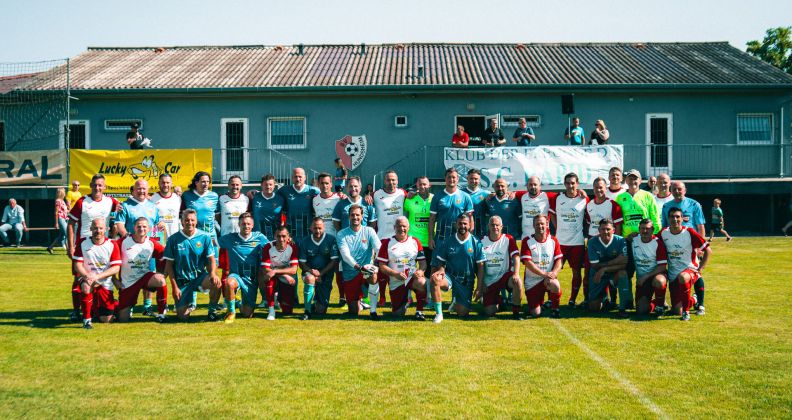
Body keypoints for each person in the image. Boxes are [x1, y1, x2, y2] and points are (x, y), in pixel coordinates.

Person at [67, 174, 121, 322]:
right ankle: (76, 311)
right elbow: (71, 224)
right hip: (84, 247)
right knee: (79, 278)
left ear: (104, 187)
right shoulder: (82, 202)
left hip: (103, 246)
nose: (97, 188)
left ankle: (107, 306)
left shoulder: (110, 201)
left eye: (100, 185)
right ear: (90, 185)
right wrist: (70, 246)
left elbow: (124, 207)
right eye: (94, 185)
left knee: (104, 277)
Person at [614, 169, 661, 310]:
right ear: (625, 181)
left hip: (645, 241)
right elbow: (618, 221)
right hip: (627, 242)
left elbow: (655, 220)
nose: (633, 181)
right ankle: (627, 300)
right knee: (627, 272)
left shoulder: (648, 196)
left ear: (640, 181)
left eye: (636, 178)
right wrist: (623, 238)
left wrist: (651, 237)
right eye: (630, 178)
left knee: (647, 269)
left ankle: (658, 299)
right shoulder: (620, 197)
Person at [163, 209, 222, 321]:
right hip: (182, 281)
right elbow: (169, 265)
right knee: (182, 317)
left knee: (216, 283)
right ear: (181, 221)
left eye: (192, 220)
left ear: (196, 221)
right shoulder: (173, 239)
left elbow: (211, 259)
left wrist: (213, 274)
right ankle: (187, 304)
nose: (189, 222)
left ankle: (212, 312)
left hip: (199, 278)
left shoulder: (204, 237)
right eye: (186, 220)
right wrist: (174, 287)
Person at [660, 181, 708, 314]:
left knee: (696, 272)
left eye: (679, 189)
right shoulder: (667, 206)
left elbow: (700, 226)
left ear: (685, 190)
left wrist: (699, 248)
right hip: (674, 244)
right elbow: (664, 227)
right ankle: (686, 301)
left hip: (691, 245)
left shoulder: (694, 204)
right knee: (677, 274)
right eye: (674, 189)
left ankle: (700, 303)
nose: (677, 191)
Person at [429, 214, 485, 323]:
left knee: (462, 313)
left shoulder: (476, 242)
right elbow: (441, 261)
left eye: (465, 224)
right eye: (460, 223)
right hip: (450, 276)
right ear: (455, 225)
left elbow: (480, 267)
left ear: (469, 225)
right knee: (435, 279)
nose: (462, 226)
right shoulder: (448, 241)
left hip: (466, 280)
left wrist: (479, 287)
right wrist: (441, 270)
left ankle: (456, 301)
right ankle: (439, 314)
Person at [115, 217, 168, 323]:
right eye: (138, 226)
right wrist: (114, 279)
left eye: (144, 226)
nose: (141, 229)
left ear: (148, 229)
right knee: (123, 319)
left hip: (144, 277)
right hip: (128, 282)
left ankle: (162, 313)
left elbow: (166, 255)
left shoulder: (151, 243)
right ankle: (114, 305)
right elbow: (110, 260)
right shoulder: (123, 242)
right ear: (134, 227)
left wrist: (163, 273)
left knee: (160, 280)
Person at [72, 218, 122, 329]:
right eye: (95, 228)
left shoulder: (112, 244)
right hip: (87, 278)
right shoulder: (83, 242)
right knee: (85, 287)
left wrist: (98, 277)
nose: (97, 230)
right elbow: (78, 265)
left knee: (106, 320)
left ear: (106, 229)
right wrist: (87, 276)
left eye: (100, 228)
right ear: (90, 229)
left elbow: (116, 268)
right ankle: (87, 320)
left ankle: (113, 304)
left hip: (104, 281)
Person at [218, 212, 267, 322]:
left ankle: (236, 302)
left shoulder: (259, 237)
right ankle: (231, 312)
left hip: (251, 279)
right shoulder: (229, 238)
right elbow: (212, 242)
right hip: (236, 275)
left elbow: (272, 247)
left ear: (252, 225)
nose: (246, 226)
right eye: (243, 224)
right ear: (239, 225)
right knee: (229, 282)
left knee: (247, 314)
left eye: (248, 224)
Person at [376, 216, 429, 319]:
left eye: (404, 226)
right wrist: (395, 274)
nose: (402, 229)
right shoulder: (386, 243)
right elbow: (382, 266)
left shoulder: (415, 241)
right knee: (398, 314)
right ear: (394, 227)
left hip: (411, 277)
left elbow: (423, 263)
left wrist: (421, 271)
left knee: (422, 282)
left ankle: (419, 311)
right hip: (396, 280)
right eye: (399, 226)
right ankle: (406, 301)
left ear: (408, 227)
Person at [550, 173, 589, 308]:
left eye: (573, 183)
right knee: (553, 270)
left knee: (577, 272)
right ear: (564, 184)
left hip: (577, 243)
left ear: (577, 184)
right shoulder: (558, 198)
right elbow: (552, 214)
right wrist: (558, 228)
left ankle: (572, 300)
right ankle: (552, 298)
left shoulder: (584, 199)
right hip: (560, 243)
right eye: (568, 183)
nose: (570, 185)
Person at [336, 205, 381, 318]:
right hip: (350, 273)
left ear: (362, 217)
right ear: (348, 217)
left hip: (366, 270)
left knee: (373, 275)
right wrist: (358, 267)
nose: (355, 217)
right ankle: (360, 303)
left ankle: (373, 311)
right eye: (352, 215)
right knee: (353, 312)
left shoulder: (369, 231)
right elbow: (345, 256)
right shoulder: (341, 234)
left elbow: (379, 248)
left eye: (357, 215)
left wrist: (375, 264)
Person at [372, 170, 406, 305]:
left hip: (398, 238)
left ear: (397, 181)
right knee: (382, 268)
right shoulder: (376, 195)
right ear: (384, 181)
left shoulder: (403, 193)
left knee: (399, 267)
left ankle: (403, 294)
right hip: (382, 238)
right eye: (388, 180)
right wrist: (367, 196)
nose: (391, 182)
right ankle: (382, 296)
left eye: (393, 180)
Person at [479, 216, 523, 318]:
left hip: (505, 276)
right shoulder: (482, 241)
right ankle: (501, 301)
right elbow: (479, 265)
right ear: (488, 226)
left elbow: (516, 257)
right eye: (492, 225)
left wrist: (516, 274)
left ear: (501, 226)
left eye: (497, 225)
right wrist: (481, 284)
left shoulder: (508, 239)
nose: (495, 227)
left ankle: (516, 312)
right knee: (489, 312)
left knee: (517, 281)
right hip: (489, 280)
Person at [520, 215, 563, 318]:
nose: (540, 226)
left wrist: (554, 273)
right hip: (532, 282)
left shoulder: (553, 240)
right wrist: (545, 274)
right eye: (537, 224)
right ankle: (541, 304)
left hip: (548, 279)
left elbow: (559, 260)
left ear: (547, 224)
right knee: (536, 313)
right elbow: (527, 263)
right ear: (533, 226)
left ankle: (555, 309)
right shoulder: (527, 241)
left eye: (542, 223)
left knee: (555, 284)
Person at [313, 172, 345, 305]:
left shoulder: (339, 198)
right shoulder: (315, 200)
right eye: (322, 183)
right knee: (319, 268)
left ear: (331, 184)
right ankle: (318, 296)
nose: (325, 185)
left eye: (327, 183)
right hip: (319, 240)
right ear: (318, 184)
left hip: (335, 239)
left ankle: (342, 297)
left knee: (338, 269)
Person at [586, 219, 630, 316]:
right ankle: (603, 298)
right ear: (598, 230)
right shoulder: (592, 242)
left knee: (623, 273)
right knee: (594, 308)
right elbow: (594, 265)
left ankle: (622, 308)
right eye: (602, 229)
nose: (605, 232)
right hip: (597, 273)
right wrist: (615, 261)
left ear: (613, 230)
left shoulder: (621, 240)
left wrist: (604, 269)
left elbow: (624, 264)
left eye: (608, 229)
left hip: (612, 273)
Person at [299, 217, 339, 319]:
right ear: (310, 228)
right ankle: (307, 311)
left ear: (324, 227)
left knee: (321, 311)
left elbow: (333, 261)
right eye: (315, 228)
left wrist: (320, 274)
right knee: (310, 279)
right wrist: (311, 271)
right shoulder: (305, 241)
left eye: (320, 228)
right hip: (310, 272)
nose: (317, 231)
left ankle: (315, 302)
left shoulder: (331, 240)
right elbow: (302, 263)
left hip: (326, 274)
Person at [428, 168, 474, 252]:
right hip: (441, 237)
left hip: (459, 237)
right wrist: (430, 238)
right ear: (445, 178)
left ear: (457, 179)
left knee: (457, 263)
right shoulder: (437, 196)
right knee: (438, 264)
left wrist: (469, 238)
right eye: (449, 177)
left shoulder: (465, 196)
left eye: (453, 177)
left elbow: (470, 219)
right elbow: (432, 219)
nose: (451, 179)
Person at [260, 225, 300, 321]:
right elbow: (266, 269)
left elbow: (294, 270)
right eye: (278, 236)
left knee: (287, 311)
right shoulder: (268, 247)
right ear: (274, 236)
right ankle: (271, 310)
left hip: (280, 274)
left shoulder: (293, 246)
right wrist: (285, 274)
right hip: (273, 275)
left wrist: (276, 271)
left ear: (288, 237)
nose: (281, 239)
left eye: (283, 236)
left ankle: (278, 297)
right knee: (268, 279)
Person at [631, 218, 668, 316]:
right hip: (642, 280)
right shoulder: (634, 240)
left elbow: (662, 267)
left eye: (648, 228)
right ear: (639, 229)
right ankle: (657, 302)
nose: (645, 231)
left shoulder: (658, 243)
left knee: (659, 281)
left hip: (656, 275)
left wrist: (645, 277)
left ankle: (660, 306)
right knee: (640, 311)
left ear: (653, 229)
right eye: (642, 228)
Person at [278, 167, 320, 241]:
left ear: (305, 177)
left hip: (309, 232)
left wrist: (341, 195)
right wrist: (253, 191)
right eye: (295, 177)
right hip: (290, 233)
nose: (298, 179)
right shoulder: (284, 190)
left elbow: (327, 197)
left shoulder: (313, 191)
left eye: (300, 177)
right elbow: (271, 197)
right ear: (292, 178)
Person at [250, 174, 284, 240]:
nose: (268, 187)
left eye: (270, 184)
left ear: (274, 186)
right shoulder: (254, 197)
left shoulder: (280, 199)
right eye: (266, 184)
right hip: (257, 236)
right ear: (261, 185)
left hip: (275, 236)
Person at [150, 173, 182, 242]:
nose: (165, 185)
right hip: (159, 238)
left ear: (172, 184)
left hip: (174, 237)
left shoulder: (178, 198)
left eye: (168, 182)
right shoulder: (152, 198)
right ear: (159, 183)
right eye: (163, 182)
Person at [462, 169, 490, 239]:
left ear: (479, 180)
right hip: (463, 228)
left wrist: (510, 193)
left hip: (480, 230)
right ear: (467, 178)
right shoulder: (460, 193)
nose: (473, 181)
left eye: (476, 179)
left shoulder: (486, 194)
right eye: (471, 178)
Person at [47, 188, 69, 254]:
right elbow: (56, 212)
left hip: (65, 219)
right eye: (64, 192)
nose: (65, 193)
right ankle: (69, 250)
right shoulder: (58, 201)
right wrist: (56, 223)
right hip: (61, 219)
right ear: (61, 193)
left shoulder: (63, 201)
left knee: (62, 236)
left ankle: (50, 247)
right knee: (67, 234)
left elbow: (65, 211)